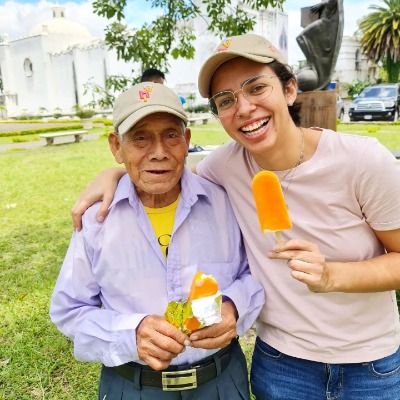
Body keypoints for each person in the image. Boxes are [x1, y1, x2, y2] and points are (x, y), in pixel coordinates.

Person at [71, 33, 400, 400]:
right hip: (281, 361)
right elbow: (160, 165)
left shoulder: (363, 161)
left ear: (289, 89)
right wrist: (113, 176)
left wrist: (332, 275)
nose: (244, 108)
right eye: (226, 100)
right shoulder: (222, 169)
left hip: (370, 363)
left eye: (257, 87)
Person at [50, 82, 264, 400]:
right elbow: (69, 310)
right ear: (116, 146)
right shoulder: (96, 221)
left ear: (186, 140)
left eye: (171, 135)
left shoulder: (223, 202)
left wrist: (233, 306)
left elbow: (254, 273)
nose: (159, 152)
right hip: (133, 387)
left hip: (221, 382)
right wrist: (129, 333)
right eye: (140, 137)